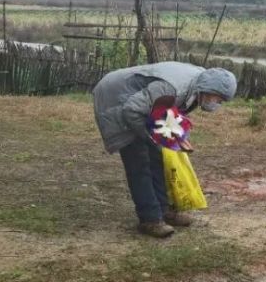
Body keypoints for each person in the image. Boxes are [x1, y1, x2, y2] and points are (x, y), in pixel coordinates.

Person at [93, 61, 237, 237]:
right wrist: (151, 137)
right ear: (209, 89)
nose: (218, 104)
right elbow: (131, 110)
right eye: (218, 98)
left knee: (158, 157)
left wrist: (176, 136)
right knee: (139, 162)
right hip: (117, 98)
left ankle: (163, 210)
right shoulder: (172, 88)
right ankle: (150, 219)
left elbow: (168, 110)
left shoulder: (198, 84)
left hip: (140, 104)